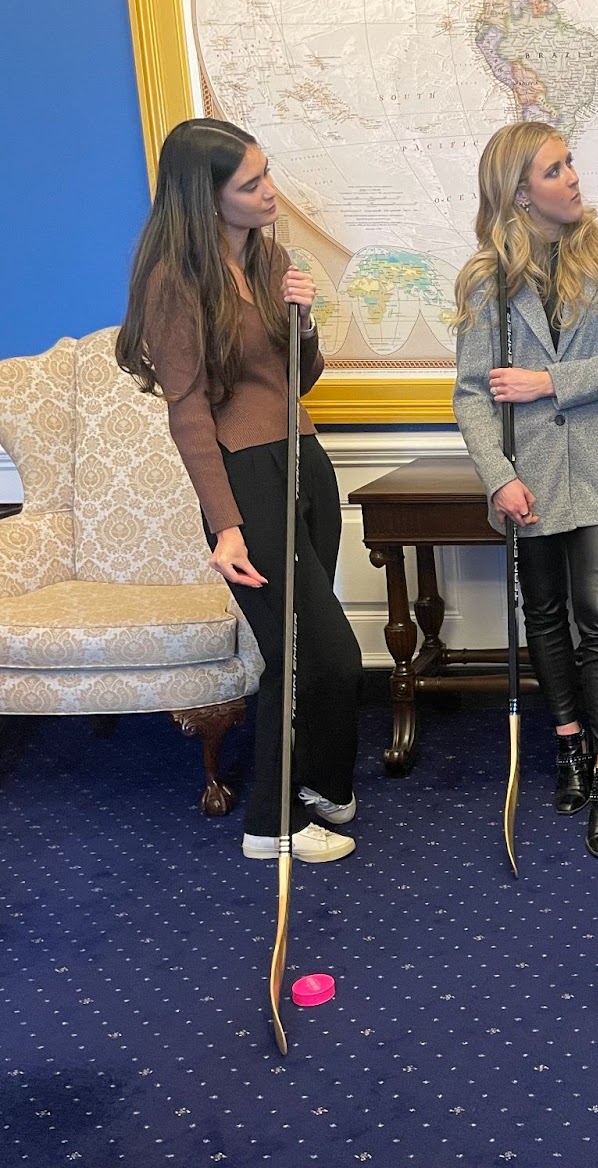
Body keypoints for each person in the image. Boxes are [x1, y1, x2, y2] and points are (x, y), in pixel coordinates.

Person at [116, 118, 363, 863]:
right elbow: (188, 414)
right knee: (314, 654)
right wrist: (224, 526)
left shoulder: (268, 259)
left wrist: (303, 320)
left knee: (317, 652)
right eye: (250, 184)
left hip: (305, 459)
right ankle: (271, 825)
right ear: (206, 197)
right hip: (247, 480)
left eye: (266, 174)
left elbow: (295, 380)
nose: (269, 193)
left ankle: (318, 783)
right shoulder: (173, 283)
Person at [453, 122, 598, 858]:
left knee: (596, 615)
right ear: (519, 193)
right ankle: (568, 744)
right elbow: (472, 395)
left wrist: (549, 382)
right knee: (543, 615)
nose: (573, 177)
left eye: (571, 162)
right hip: (530, 473)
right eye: (554, 169)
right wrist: (498, 477)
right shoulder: (487, 280)